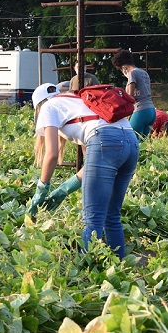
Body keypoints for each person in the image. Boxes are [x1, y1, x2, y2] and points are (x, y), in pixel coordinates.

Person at [26, 83, 139, 259]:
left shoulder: (48, 106)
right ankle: (121, 270)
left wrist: (42, 189)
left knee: (92, 220)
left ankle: (87, 273)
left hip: (104, 141)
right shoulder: (78, 100)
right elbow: (91, 165)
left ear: (38, 107)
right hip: (131, 143)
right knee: (111, 215)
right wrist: (64, 189)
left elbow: (52, 155)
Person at [111, 49, 156, 141]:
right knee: (142, 143)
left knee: (129, 139)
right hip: (151, 111)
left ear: (124, 67)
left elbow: (130, 98)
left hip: (140, 110)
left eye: (120, 69)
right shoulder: (144, 73)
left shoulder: (132, 73)